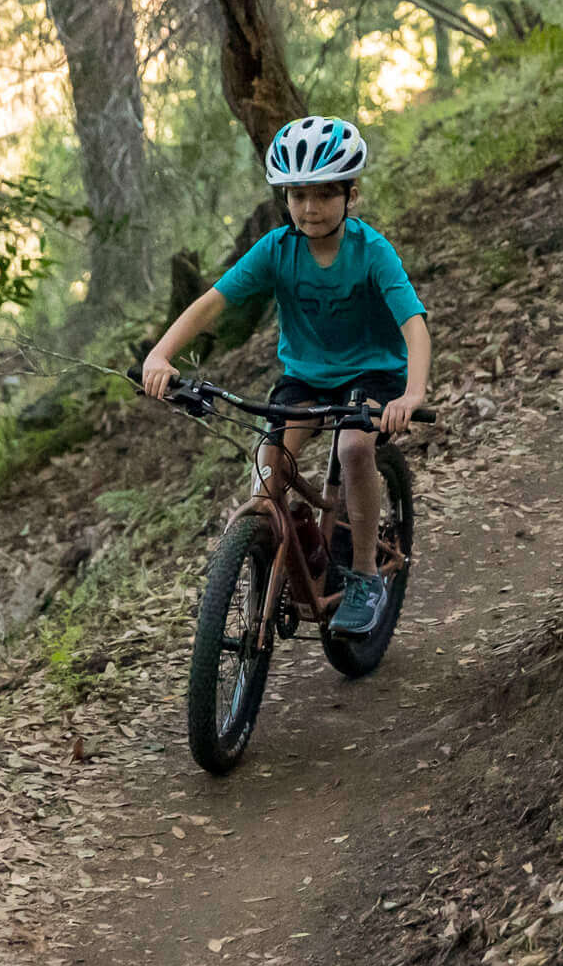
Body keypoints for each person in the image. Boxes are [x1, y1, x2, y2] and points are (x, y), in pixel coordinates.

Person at [141, 115, 432, 639]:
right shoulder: (277, 250)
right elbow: (212, 305)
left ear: (351, 194)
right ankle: (267, 562)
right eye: (298, 196)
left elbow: (413, 325)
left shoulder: (373, 252)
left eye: (323, 194)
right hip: (305, 379)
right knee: (267, 475)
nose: (310, 208)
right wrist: (160, 356)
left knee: (352, 450)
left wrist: (411, 394)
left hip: (373, 375)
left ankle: (365, 574)